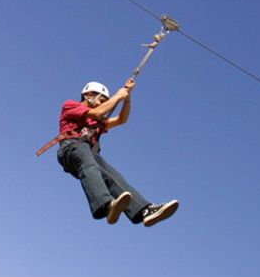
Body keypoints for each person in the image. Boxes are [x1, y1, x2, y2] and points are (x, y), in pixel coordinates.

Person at [54, 78, 179, 226]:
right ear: (88, 95)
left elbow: (121, 120)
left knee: (113, 176)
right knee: (89, 164)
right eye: (101, 100)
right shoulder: (70, 105)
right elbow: (97, 112)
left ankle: (143, 210)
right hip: (71, 148)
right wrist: (118, 95)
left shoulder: (97, 123)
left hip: (89, 153)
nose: (103, 104)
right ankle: (106, 204)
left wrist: (127, 98)